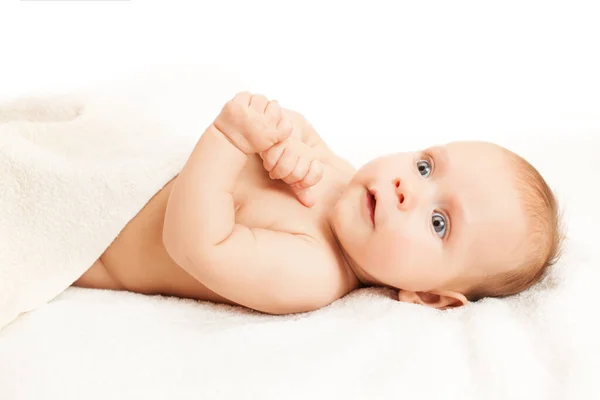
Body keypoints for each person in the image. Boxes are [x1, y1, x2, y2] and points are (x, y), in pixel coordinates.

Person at [73, 92, 564, 315]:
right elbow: (300, 130)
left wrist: (229, 138)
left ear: (430, 296)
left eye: (438, 222)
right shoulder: (349, 179)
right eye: (425, 167)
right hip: (117, 166)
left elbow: (192, 243)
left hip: (92, 237)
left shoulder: (314, 271)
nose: (406, 189)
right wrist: (280, 139)